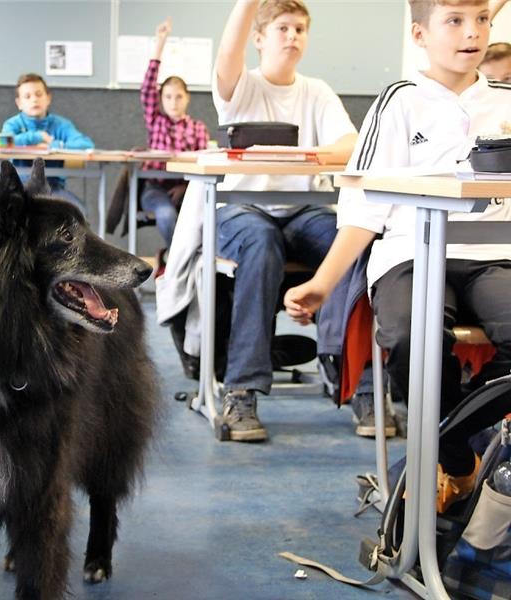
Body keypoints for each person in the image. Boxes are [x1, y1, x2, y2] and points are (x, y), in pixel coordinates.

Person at [284, 0, 511, 513]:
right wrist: (322, 283)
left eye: (482, 19)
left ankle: (455, 431)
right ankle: (459, 459)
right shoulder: (397, 102)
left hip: (494, 254)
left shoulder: (505, 99)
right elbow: (364, 206)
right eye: (454, 21)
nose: (472, 32)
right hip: (412, 252)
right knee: (412, 337)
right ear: (419, 35)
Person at [156, 0, 359, 442]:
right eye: (283, 28)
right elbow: (227, 55)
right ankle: (242, 389)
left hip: (303, 210)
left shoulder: (317, 91)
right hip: (242, 210)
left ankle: (349, 373)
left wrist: (303, 154)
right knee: (262, 242)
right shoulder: (242, 87)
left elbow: (351, 144)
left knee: (352, 242)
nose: (293, 36)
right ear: (260, 38)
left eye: (300, 29)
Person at [139, 17, 210, 248]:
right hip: (156, 188)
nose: (173, 102)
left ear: (187, 98)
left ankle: (192, 259)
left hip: (189, 189)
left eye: (179, 96)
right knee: (167, 215)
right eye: (168, 96)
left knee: (206, 218)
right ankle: (178, 260)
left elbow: (203, 165)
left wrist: (185, 187)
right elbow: (147, 88)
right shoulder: (156, 120)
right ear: (160, 99)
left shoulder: (198, 128)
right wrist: (160, 44)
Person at [1, 73, 94, 210]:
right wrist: (37, 137)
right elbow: (2, 142)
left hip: (53, 188)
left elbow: (86, 144)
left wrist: (53, 146)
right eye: (27, 96)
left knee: (77, 210)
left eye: (39, 94)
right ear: (19, 103)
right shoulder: (12, 124)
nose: (34, 100)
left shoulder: (61, 125)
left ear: (48, 98)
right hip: (19, 188)